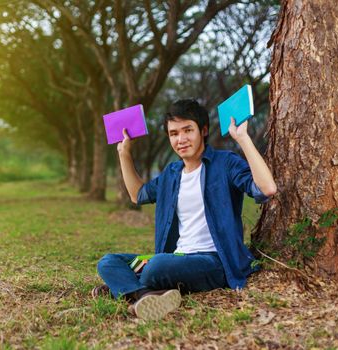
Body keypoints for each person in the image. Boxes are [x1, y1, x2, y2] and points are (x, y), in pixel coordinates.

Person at [92, 99, 277, 321]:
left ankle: (124, 290)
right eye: (173, 133)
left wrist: (242, 138)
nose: (180, 139)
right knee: (109, 262)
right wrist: (124, 153)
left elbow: (266, 188)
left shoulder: (225, 163)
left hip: (215, 261)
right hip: (177, 258)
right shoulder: (172, 173)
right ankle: (142, 295)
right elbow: (137, 194)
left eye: (188, 130)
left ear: (204, 130)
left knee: (155, 267)